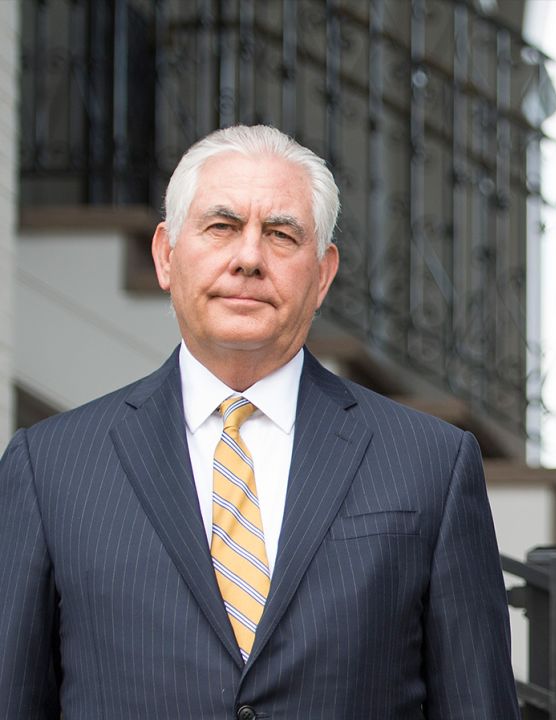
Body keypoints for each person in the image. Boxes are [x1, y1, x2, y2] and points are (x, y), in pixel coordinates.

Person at [0, 125, 520, 718]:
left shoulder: (432, 463)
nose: (248, 258)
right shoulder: (49, 469)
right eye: (221, 227)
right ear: (166, 255)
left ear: (322, 274)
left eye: (280, 234)